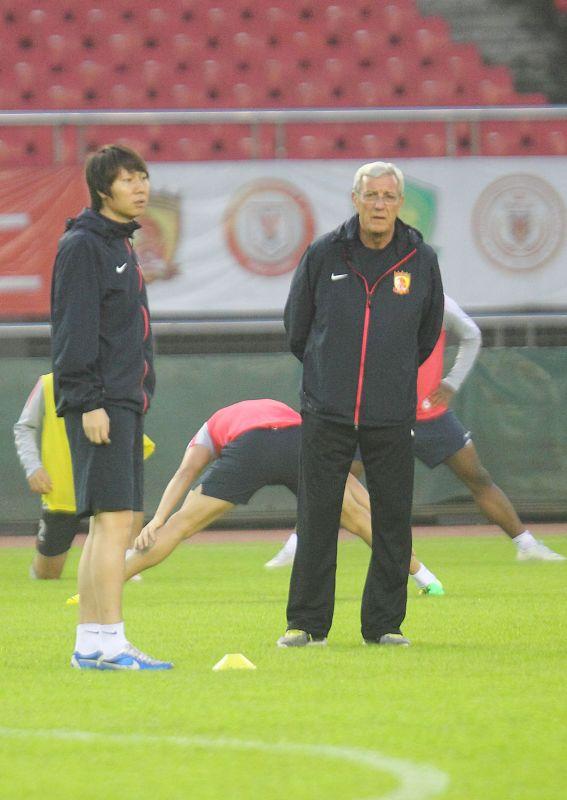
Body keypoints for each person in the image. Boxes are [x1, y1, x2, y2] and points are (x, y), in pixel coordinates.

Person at [266, 295, 565, 571]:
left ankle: (526, 544)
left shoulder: (437, 302)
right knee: (335, 482)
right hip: (377, 415)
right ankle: (297, 545)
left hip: (428, 415)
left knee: (477, 477)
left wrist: (452, 383)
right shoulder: (370, 299)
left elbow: (471, 334)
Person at [279, 160, 444, 648]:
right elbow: (297, 326)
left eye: (388, 196)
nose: (379, 204)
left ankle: (384, 625)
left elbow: (427, 333)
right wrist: (326, 373)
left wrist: (390, 378)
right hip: (327, 409)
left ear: (400, 203)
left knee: (392, 520)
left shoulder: (420, 259)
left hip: (390, 413)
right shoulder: (325, 252)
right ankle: (307, 624)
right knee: (317, 517)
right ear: (355, 199)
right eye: (371, 195)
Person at [51, 144, 172, 671]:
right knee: (115, 521)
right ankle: (113, 644)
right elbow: (73, 330)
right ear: (103, 189)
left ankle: (90, 644)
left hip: (123, 400)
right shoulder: (84, 245)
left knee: (107, 524)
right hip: (103, 403)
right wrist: (88, 403)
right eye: (128, 180)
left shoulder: (118, 242)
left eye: (143, 177)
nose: (140, 187)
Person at [124, 399, 441, 594]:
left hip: (251, 446)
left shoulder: (208, 430)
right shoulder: (277, 410)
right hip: (296, 440)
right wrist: (381, 519)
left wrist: (159, 520)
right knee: (358, 521)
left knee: (180, 525)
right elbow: (345, 479)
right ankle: (426, 578)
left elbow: (185, 473)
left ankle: (112, 581)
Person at [13, 372, 155, 580]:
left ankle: (122, 568)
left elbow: (131, 437)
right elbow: (24, 426)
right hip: (61, 491)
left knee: (113, 553)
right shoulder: (49, 383)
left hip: (104, 489)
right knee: (48, 573)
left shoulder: (113, 385)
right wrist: (33, 467)